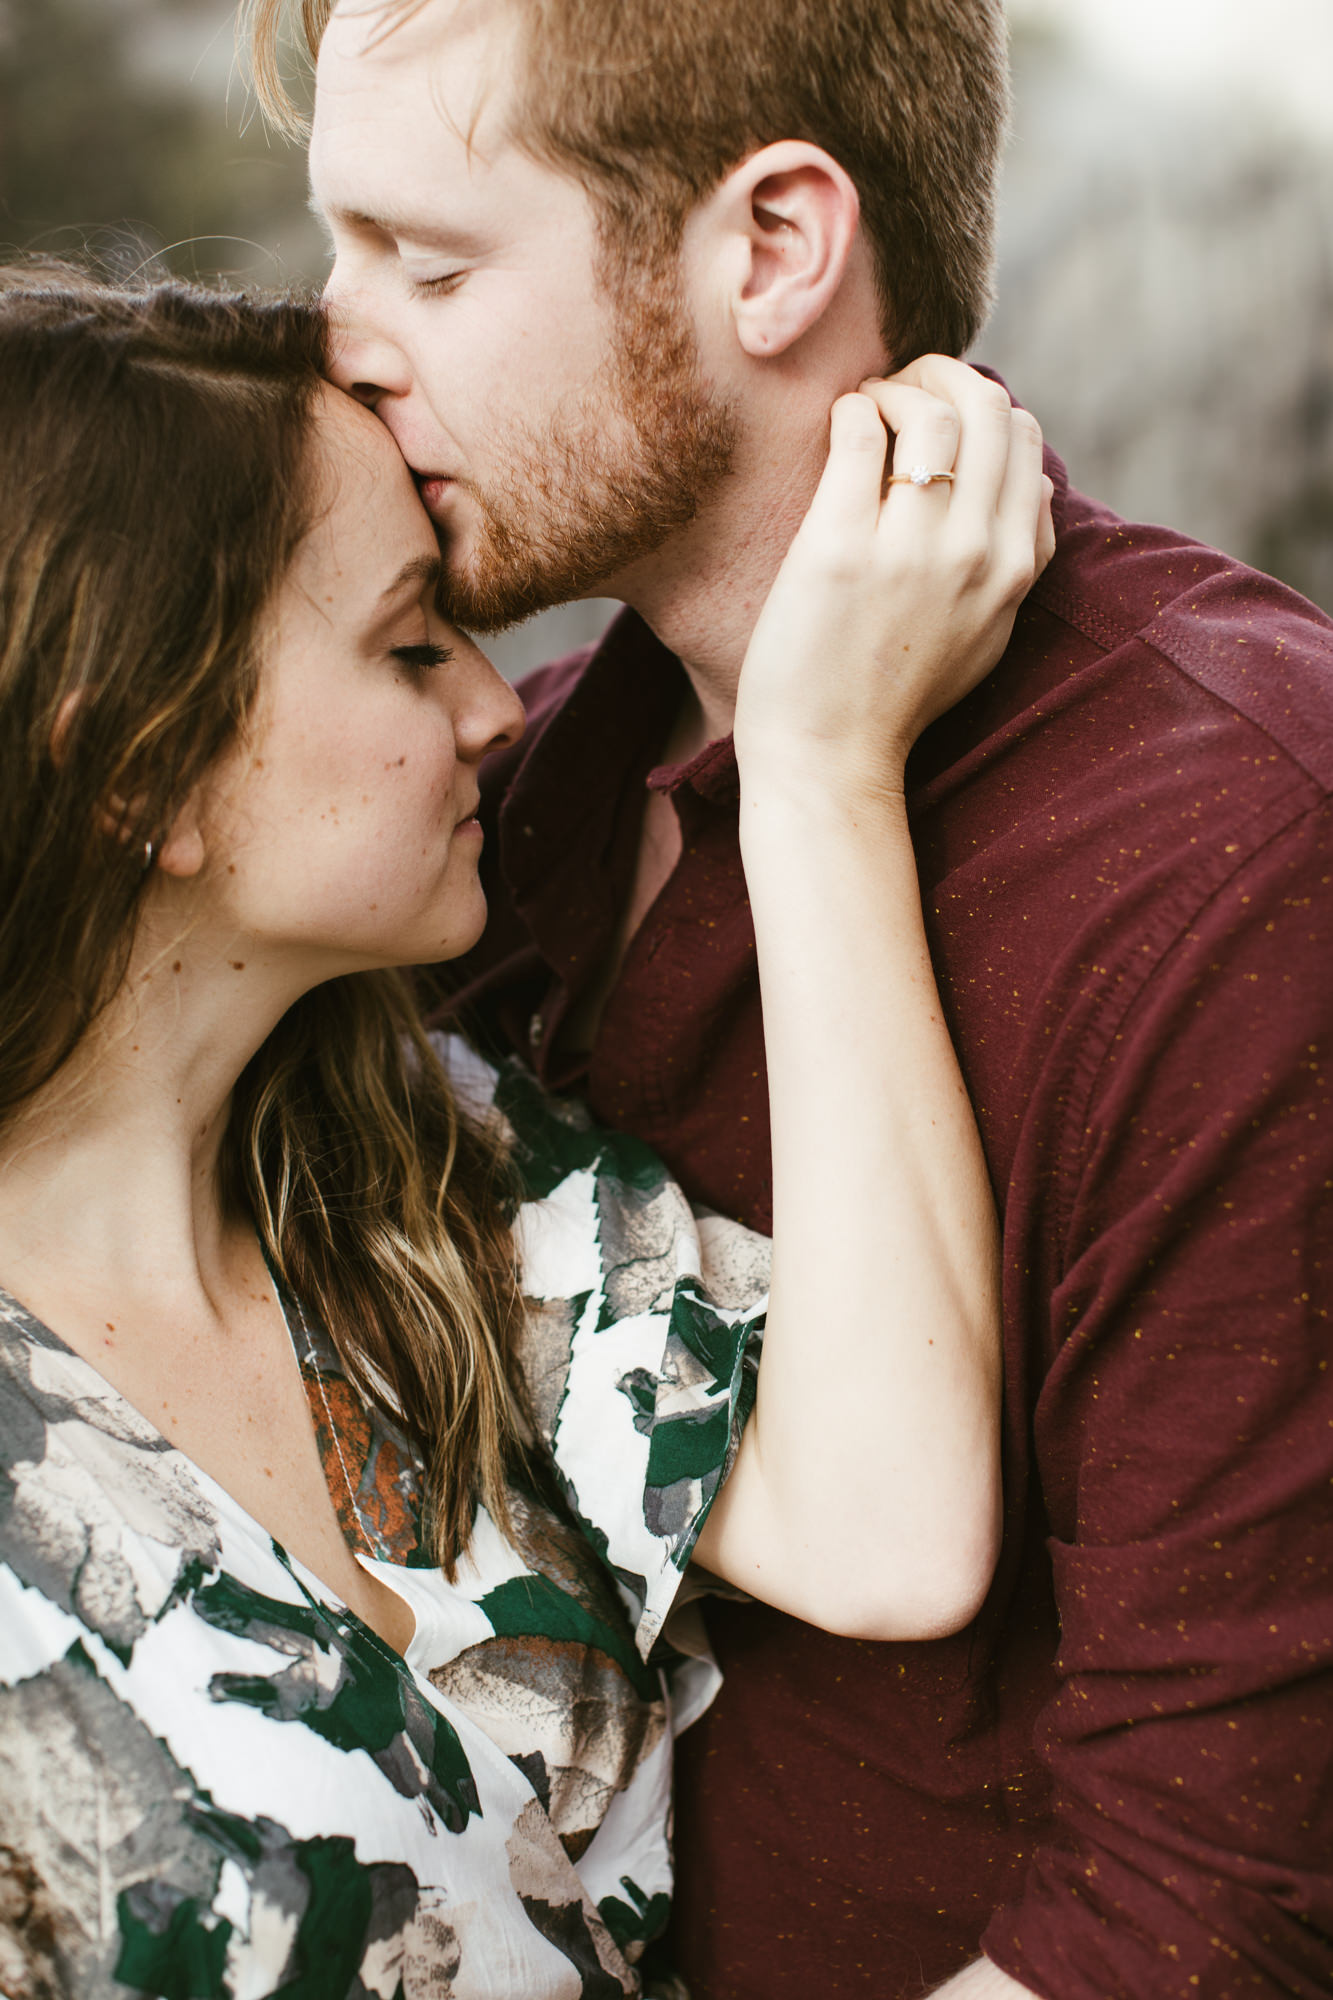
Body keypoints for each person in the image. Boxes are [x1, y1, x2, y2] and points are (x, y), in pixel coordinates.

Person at [243, 0, 1333, 1994]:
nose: (342, 335)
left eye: (429, 258)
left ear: (767, 249)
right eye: (337, 242)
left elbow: (1215, 1903)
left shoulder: (1241, 853)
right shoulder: (482, 826)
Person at [0, 267, 1050, 1998]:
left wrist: (816, 772)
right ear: (138, 767)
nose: (499, 708)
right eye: (410, 645)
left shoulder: (431, 1163)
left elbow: (885, 1524)